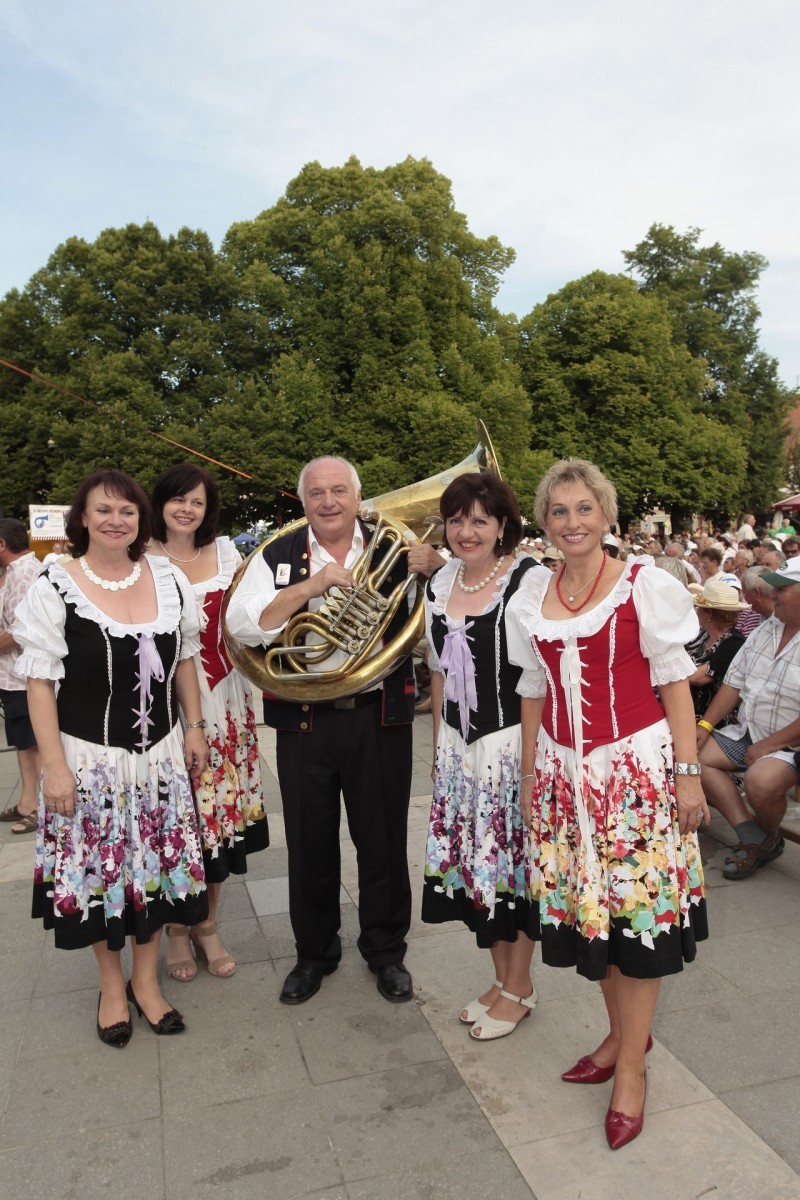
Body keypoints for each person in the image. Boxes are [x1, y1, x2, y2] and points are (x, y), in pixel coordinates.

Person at [506, 458, 709, 1150]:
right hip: (564, 778)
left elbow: (674, 681)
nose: (573, 522)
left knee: (636, 917)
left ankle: (631, 1070)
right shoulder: (532, 593)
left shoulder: (642, 584)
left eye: (584, 509)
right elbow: (534, 690)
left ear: (606, 515)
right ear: (544, 521)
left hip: (632, 775)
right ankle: (624, 1036)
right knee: (598, 917)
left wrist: (688, 774)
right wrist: (531, 776)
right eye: (559, 511)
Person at [225, 456, 441, 1004]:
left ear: (357, 496)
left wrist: (437, 572)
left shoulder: (395, 547)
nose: (328, 502)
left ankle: (385, 952)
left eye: (339, 491)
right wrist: (312, 586)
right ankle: (314, 955)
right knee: (309, 842)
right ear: (303, 501)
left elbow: (440, 627)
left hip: (379, 714)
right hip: (306, 719)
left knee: (383, 840)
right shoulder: (277, 553)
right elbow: (241, 624)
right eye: (317, 493)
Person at [13, 470, 208, 1045]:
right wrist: (53, 767)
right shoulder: (55, 584)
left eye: (127, 510)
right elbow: (39, 683)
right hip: (89, 759)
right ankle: (111, 986)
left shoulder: (168, 578)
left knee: (154, 871)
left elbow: (186, 658)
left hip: (160, 756)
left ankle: (145, 982)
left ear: (140, 518)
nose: (115, 520)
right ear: (82, 517)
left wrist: (195, 727)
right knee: (102, 874)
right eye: (103, 510)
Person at [421, 473, 541, 1040]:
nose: (466, 531)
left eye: (479, 520)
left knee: (511, 869)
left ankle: (519, 987)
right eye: (456, 520)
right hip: (459, 747)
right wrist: (440, 750)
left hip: (509, 743)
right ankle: (502, 980)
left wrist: (530, 768)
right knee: (480, 869)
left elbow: (538, 683)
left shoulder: (528, 580)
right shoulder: (441, 580)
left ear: (502, 526)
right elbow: (438, 670)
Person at [149, 463, 269, 981]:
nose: (187, 509)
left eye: (196, 501)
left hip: (226, 699)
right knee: (177, 818)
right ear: (160, 503)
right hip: (165, 704)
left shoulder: (226, 553)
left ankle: (208, 924)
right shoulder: (141, 556)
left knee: (218, 818)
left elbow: (245, 623)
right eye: (178, 499)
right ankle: (176, 930)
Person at [697, 556, 800, 880]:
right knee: (693, 757)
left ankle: (764, 837)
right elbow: (734, 683)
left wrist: (769, 745)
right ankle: (755, 837)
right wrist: (705, 726)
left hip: (791, 745)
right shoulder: (769, 626)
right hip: (750, 731)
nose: (773, 594)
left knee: (760, 781)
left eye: (782, 589)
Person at [0, 519, 42, 835]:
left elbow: (20, 631)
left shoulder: (25, 573)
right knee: (23, 745)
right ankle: (27, 803)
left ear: (2, 544)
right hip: (14, 677)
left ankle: (40, 808)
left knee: (34, 744)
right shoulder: (15, 572)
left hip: (25, 677)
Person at [687, 580, 747, 724]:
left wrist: (666, 668)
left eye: (699, 607)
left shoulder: (735, 643)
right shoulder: (701, 634)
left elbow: (699, 677)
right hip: (685, 710)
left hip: (709, 721)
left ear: (710, 613)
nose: (696, 611)